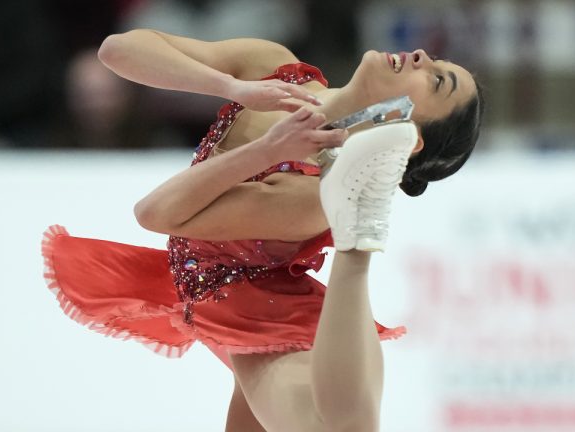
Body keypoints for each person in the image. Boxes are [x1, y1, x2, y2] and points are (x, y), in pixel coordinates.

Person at [40, 30, 483, 432]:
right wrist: (234, 88)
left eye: (438, 81)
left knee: (338, 429)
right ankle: (357, 249)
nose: (424, 56)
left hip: (258, 313)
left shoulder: (313, 194)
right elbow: (116, 50)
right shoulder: (274, 68)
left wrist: (268, 149)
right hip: (217, 300)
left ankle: (357, 250)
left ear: (407, 131)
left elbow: (156, 213)